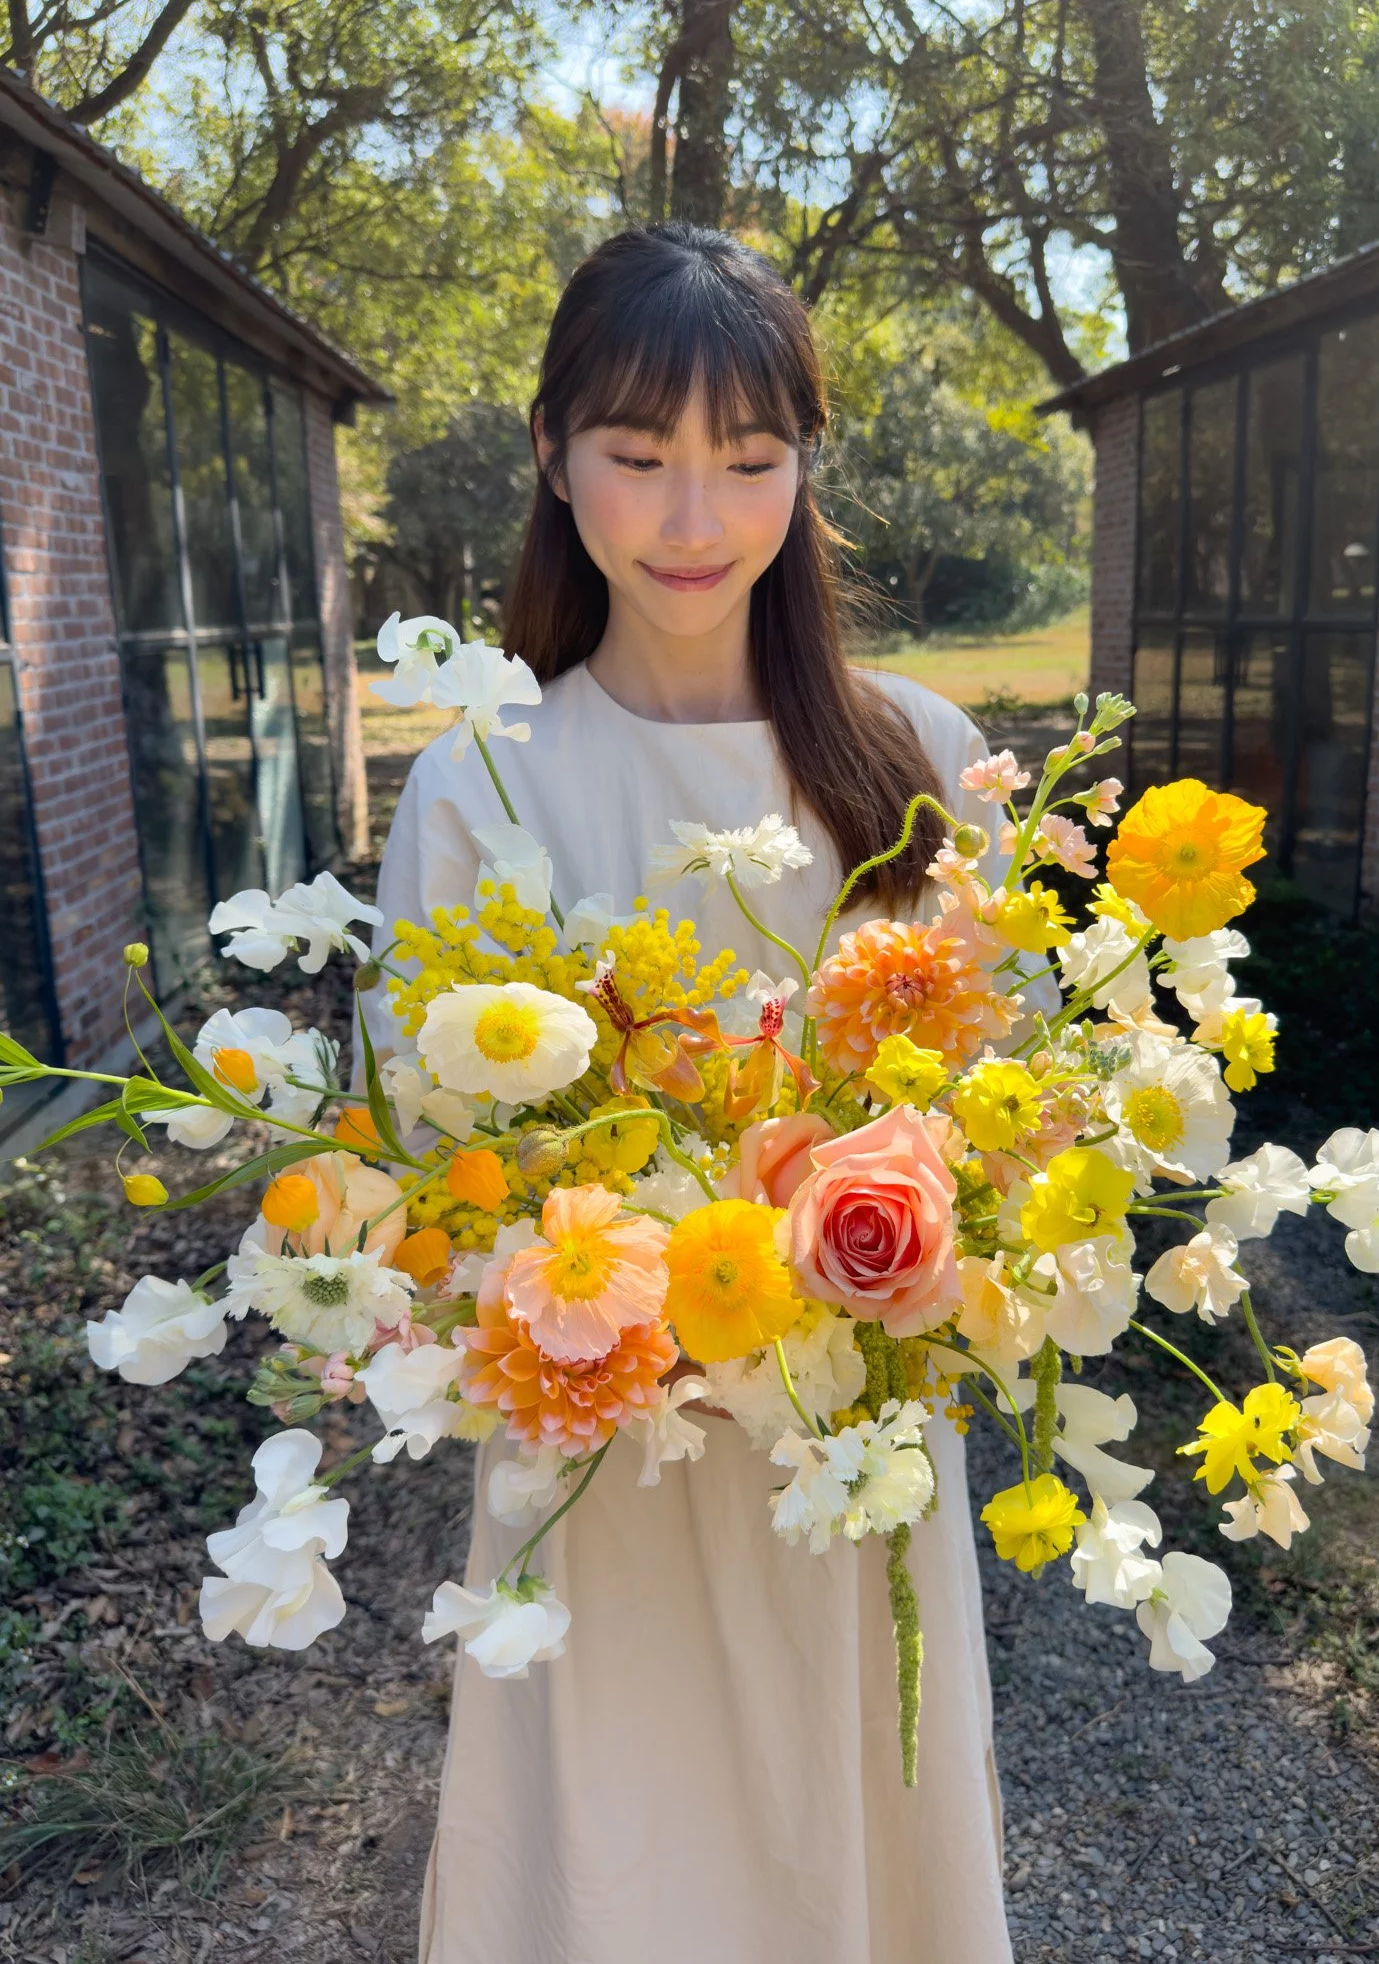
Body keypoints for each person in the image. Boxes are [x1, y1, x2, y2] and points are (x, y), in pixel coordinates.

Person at [365, 224, 1026, 1964]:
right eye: (639, 459)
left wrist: (908, 1267)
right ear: (551, 453)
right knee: (610, 1856)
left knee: (853, 1830)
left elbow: (1015, 1115)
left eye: (748, 463)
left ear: (805, 468)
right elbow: (426, 1163)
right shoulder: (483, 782)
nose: (691, 522)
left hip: (855, 1441)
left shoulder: (919, 766)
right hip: (600, 1444)